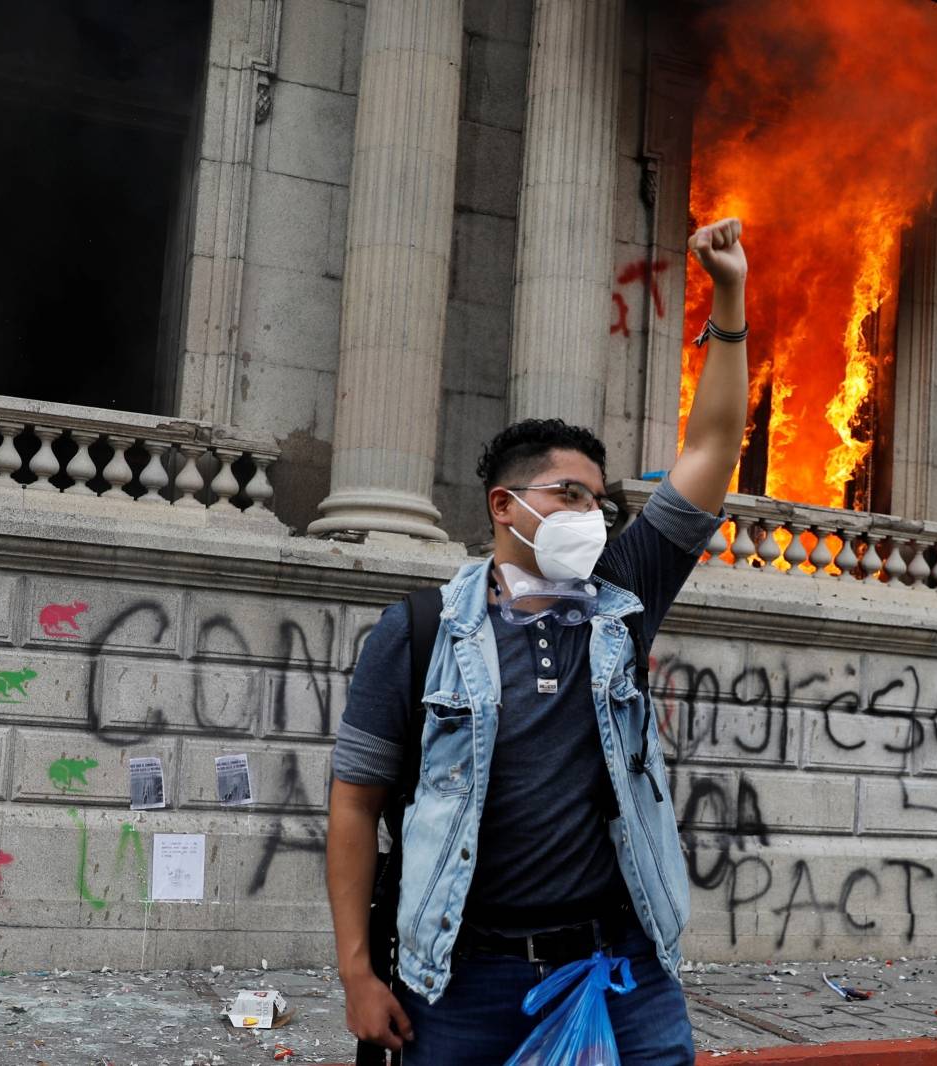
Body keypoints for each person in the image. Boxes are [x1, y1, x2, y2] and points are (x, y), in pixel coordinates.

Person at [325, 218, 750, 1064]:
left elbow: (711, 447)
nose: (592, 516)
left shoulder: (621, 600)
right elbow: (353, 808)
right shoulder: (416, 633)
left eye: (601, 501)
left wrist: (730, 295)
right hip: (462, 981)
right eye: (569, 495)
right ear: (503, 506)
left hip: (620, 971)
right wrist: (357, 977)